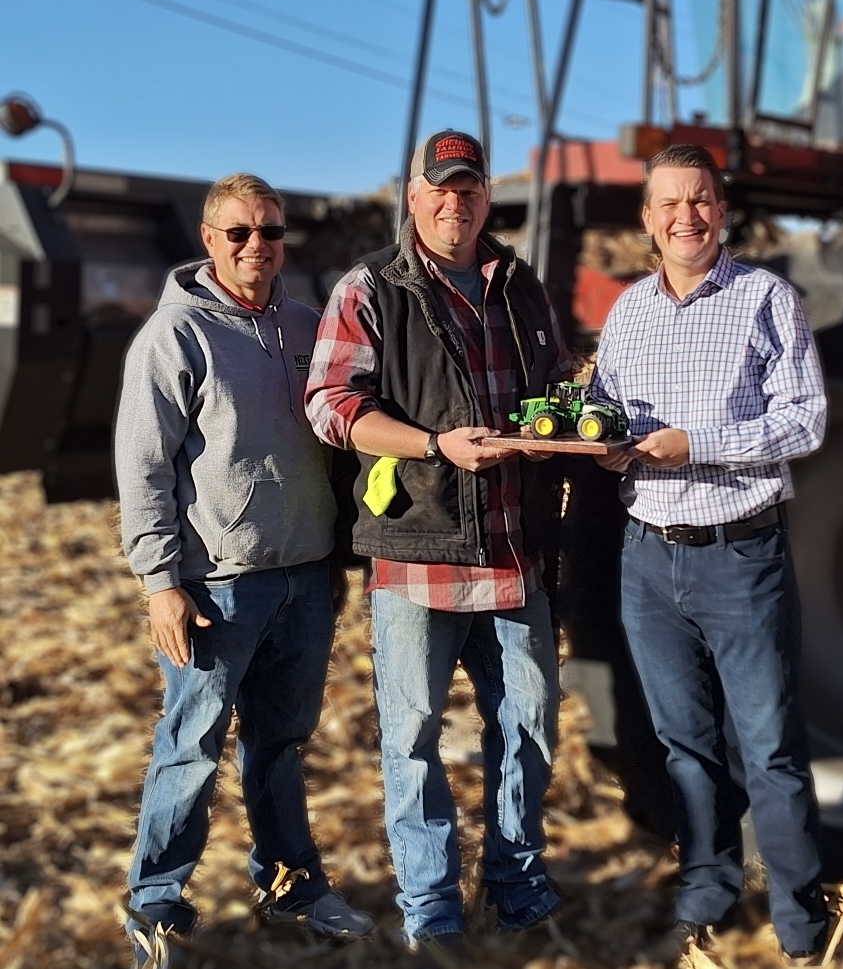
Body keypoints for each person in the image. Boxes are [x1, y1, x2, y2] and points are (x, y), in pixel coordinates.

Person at [305, 130, 571, 953]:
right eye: (441, 188)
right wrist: (433, 444)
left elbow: (554, 387)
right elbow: (331, 404)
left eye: (469, 188)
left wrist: (559, 432)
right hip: (419, 550)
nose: (456, 202)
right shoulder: (372, 288)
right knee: (414, 739)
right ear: (414, 196)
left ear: (486, 197)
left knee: (529, 726)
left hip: (515, 549)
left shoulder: (520, 286)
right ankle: (431, 909)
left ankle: (517, 885)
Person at [115, 173, 373, 963]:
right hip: (216, 586)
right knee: (191, 743)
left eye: (270, 231)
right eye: (239, 232)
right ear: (209, 240)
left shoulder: (305, 325)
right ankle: (156, 901)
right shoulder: (175, 336)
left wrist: (336, 552)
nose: (256, 244)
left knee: (280, 742)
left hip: (305, 575)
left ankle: (291, 881)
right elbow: (143, 465)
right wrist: (160, 582)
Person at [589, 143, 830, 965]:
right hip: (648, 559)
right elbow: (606, 411)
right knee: (685, 746)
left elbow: (805, 420)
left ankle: (800, 917)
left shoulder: (767, 298)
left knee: (769, 749)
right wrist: (603, 445)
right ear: (647, 220)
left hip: (741, 555)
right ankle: (708, 886)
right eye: (669, 203)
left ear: (721, 210)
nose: (685, 216)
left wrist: (696, 443)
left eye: (700, 200)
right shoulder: (628, 311)